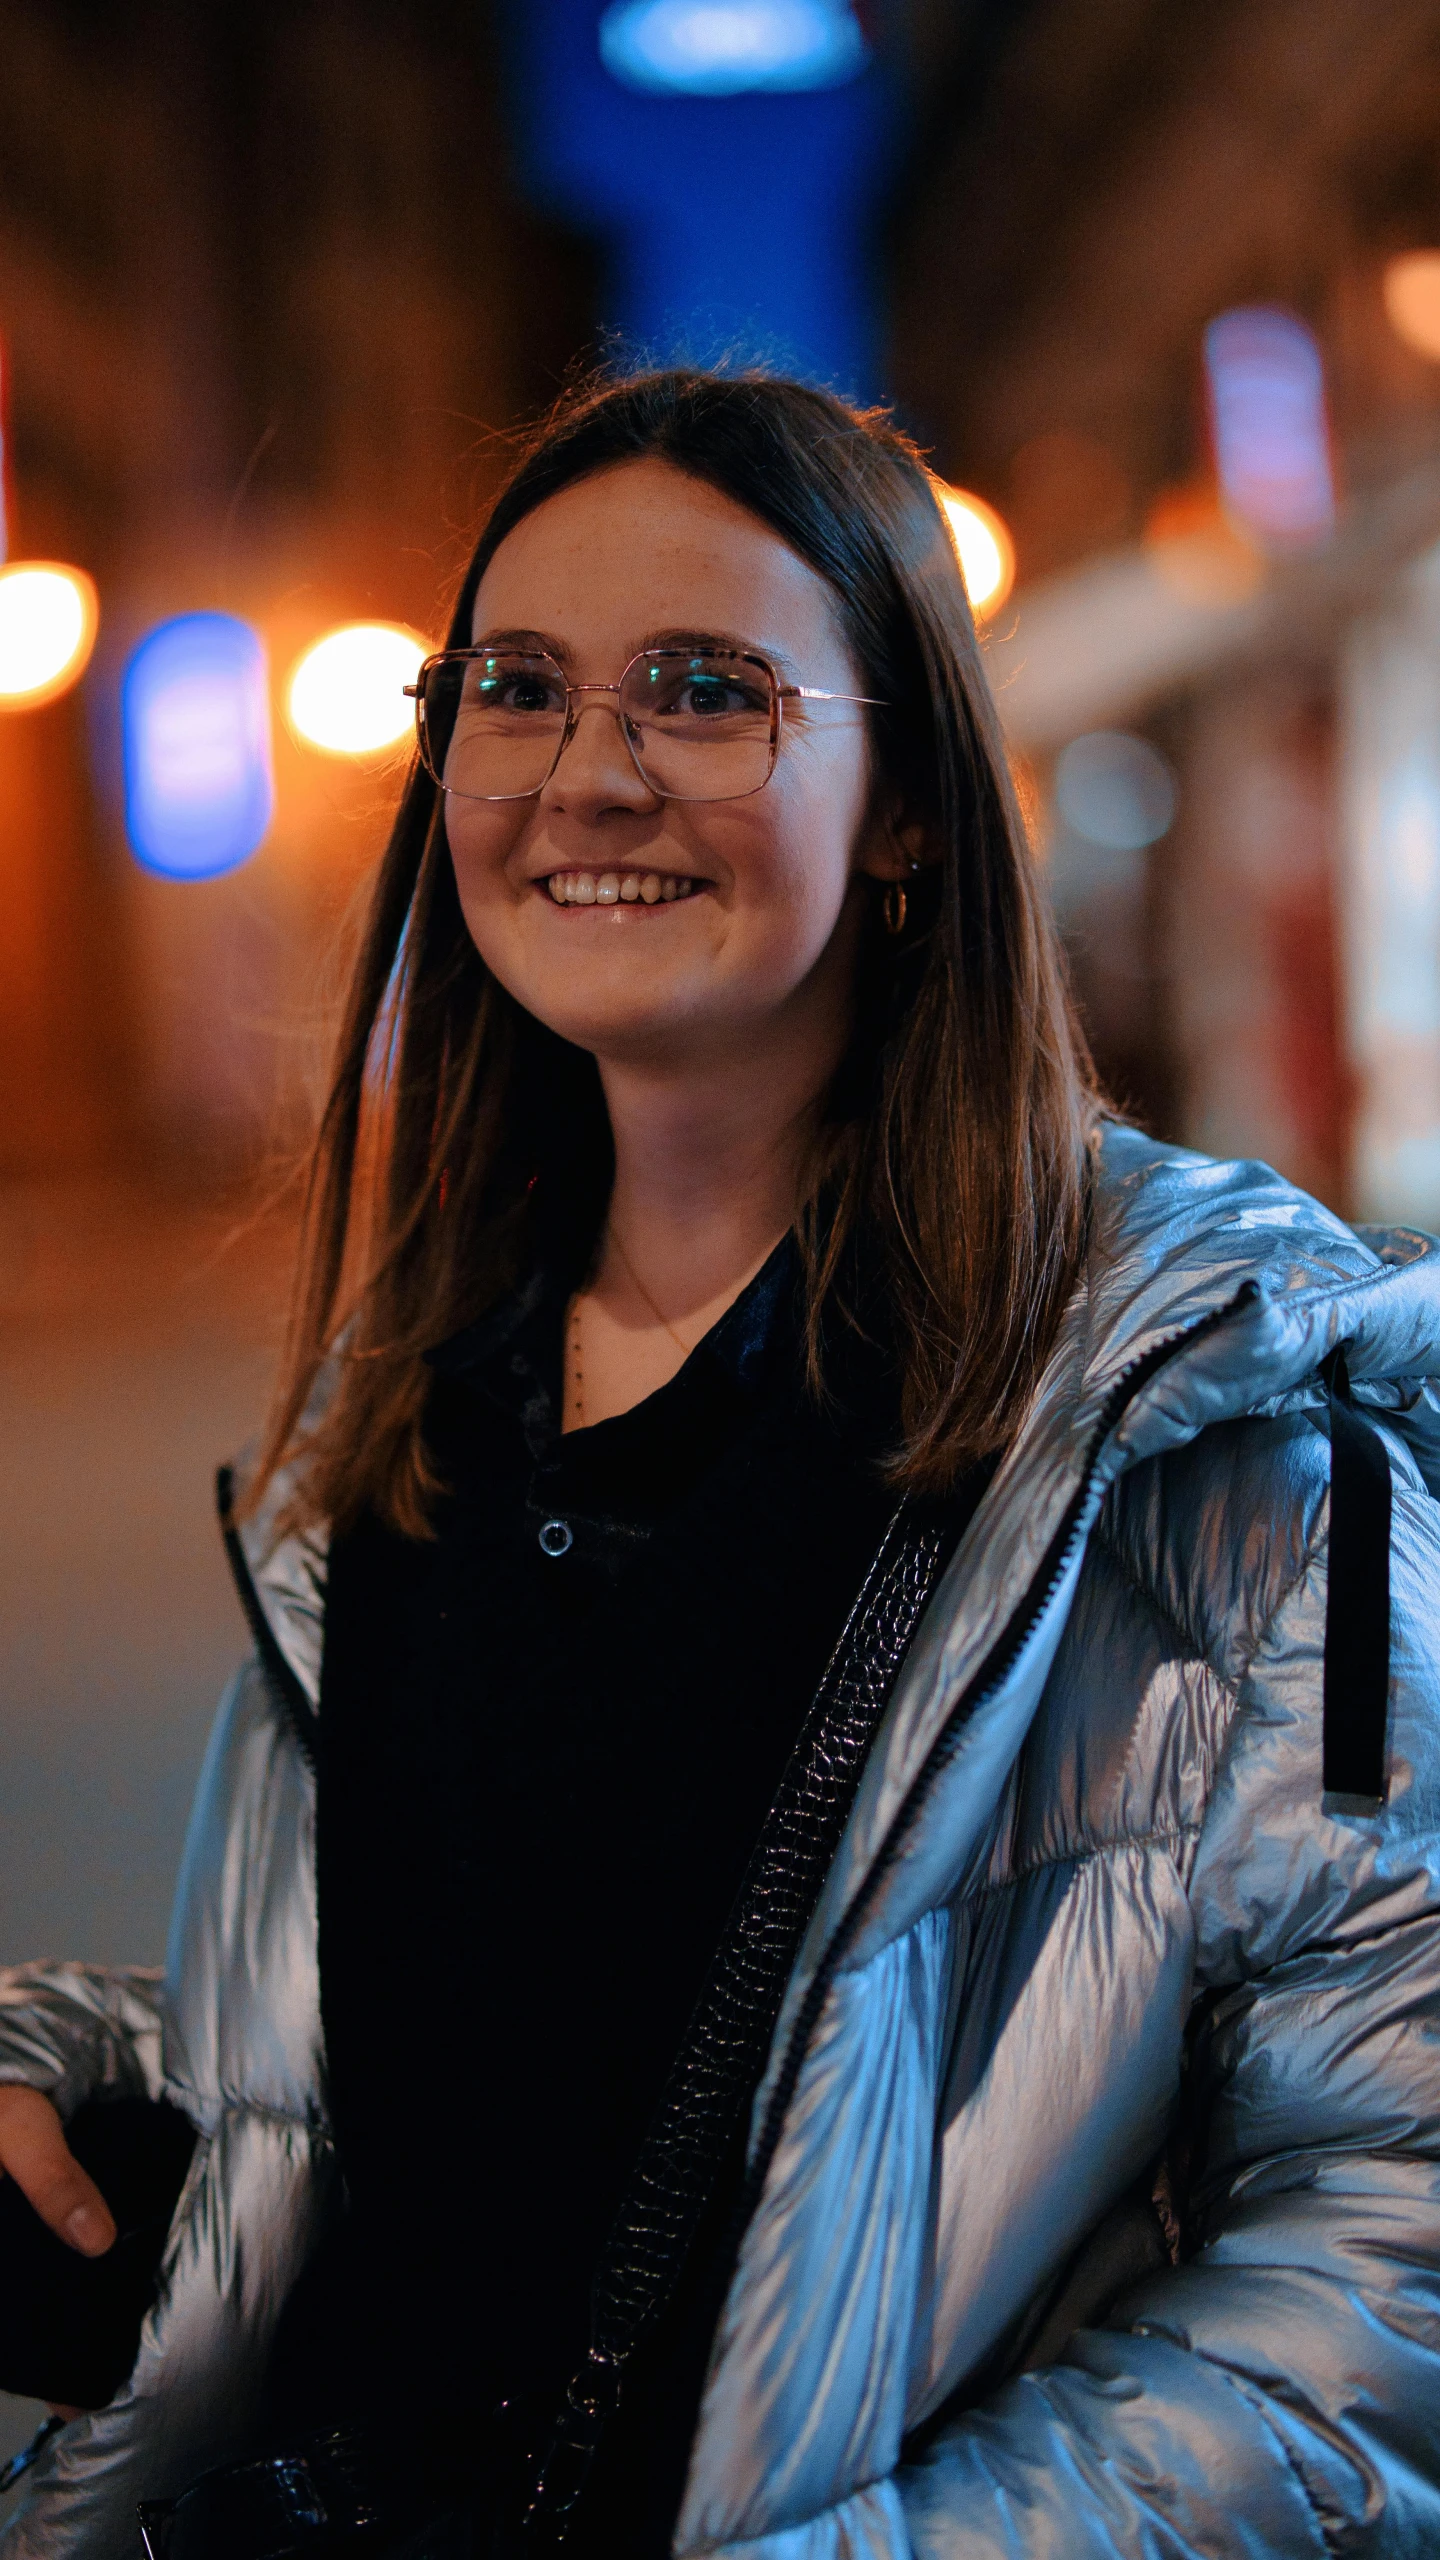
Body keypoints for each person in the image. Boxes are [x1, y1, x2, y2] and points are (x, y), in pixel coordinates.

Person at [1, 366, 1439, 2560]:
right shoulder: (398, 1430)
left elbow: (1384, 2262)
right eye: (515, 687)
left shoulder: (1216, 1427)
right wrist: (58, 2063)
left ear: (911, 804)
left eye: (703, 687)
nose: (589, 771)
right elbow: (470, 2030)